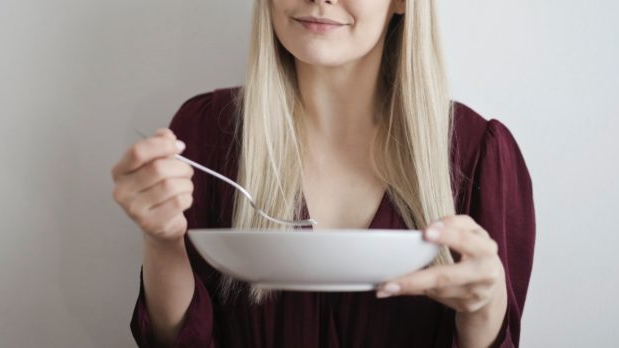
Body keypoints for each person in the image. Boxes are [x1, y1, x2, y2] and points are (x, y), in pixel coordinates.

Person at [111, 0, 535, 347]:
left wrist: (484, 310)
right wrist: (162, 239)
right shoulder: (204, 133)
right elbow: (173, 343)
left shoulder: (479, 151)